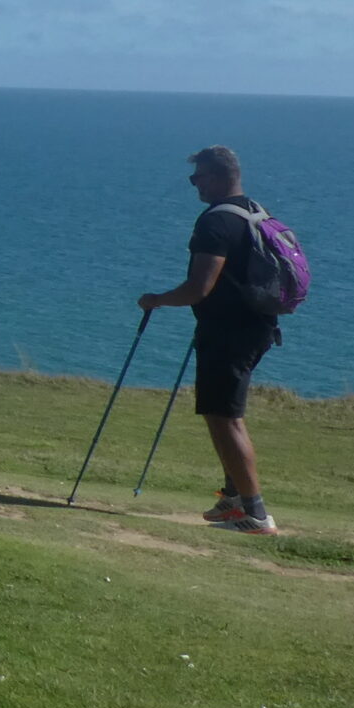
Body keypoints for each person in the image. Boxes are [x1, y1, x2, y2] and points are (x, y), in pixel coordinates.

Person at [138, 144, 281, 534]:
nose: (195, 184)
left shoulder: (215, 222)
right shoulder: (255, 212)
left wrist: (156, 300)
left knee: (225, 418)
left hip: (229, 332)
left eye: (197, 177)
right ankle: (234, 499)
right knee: (220, 413)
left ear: (216, 177)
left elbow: (198, 288)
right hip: (256, 326)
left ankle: (255, 514)